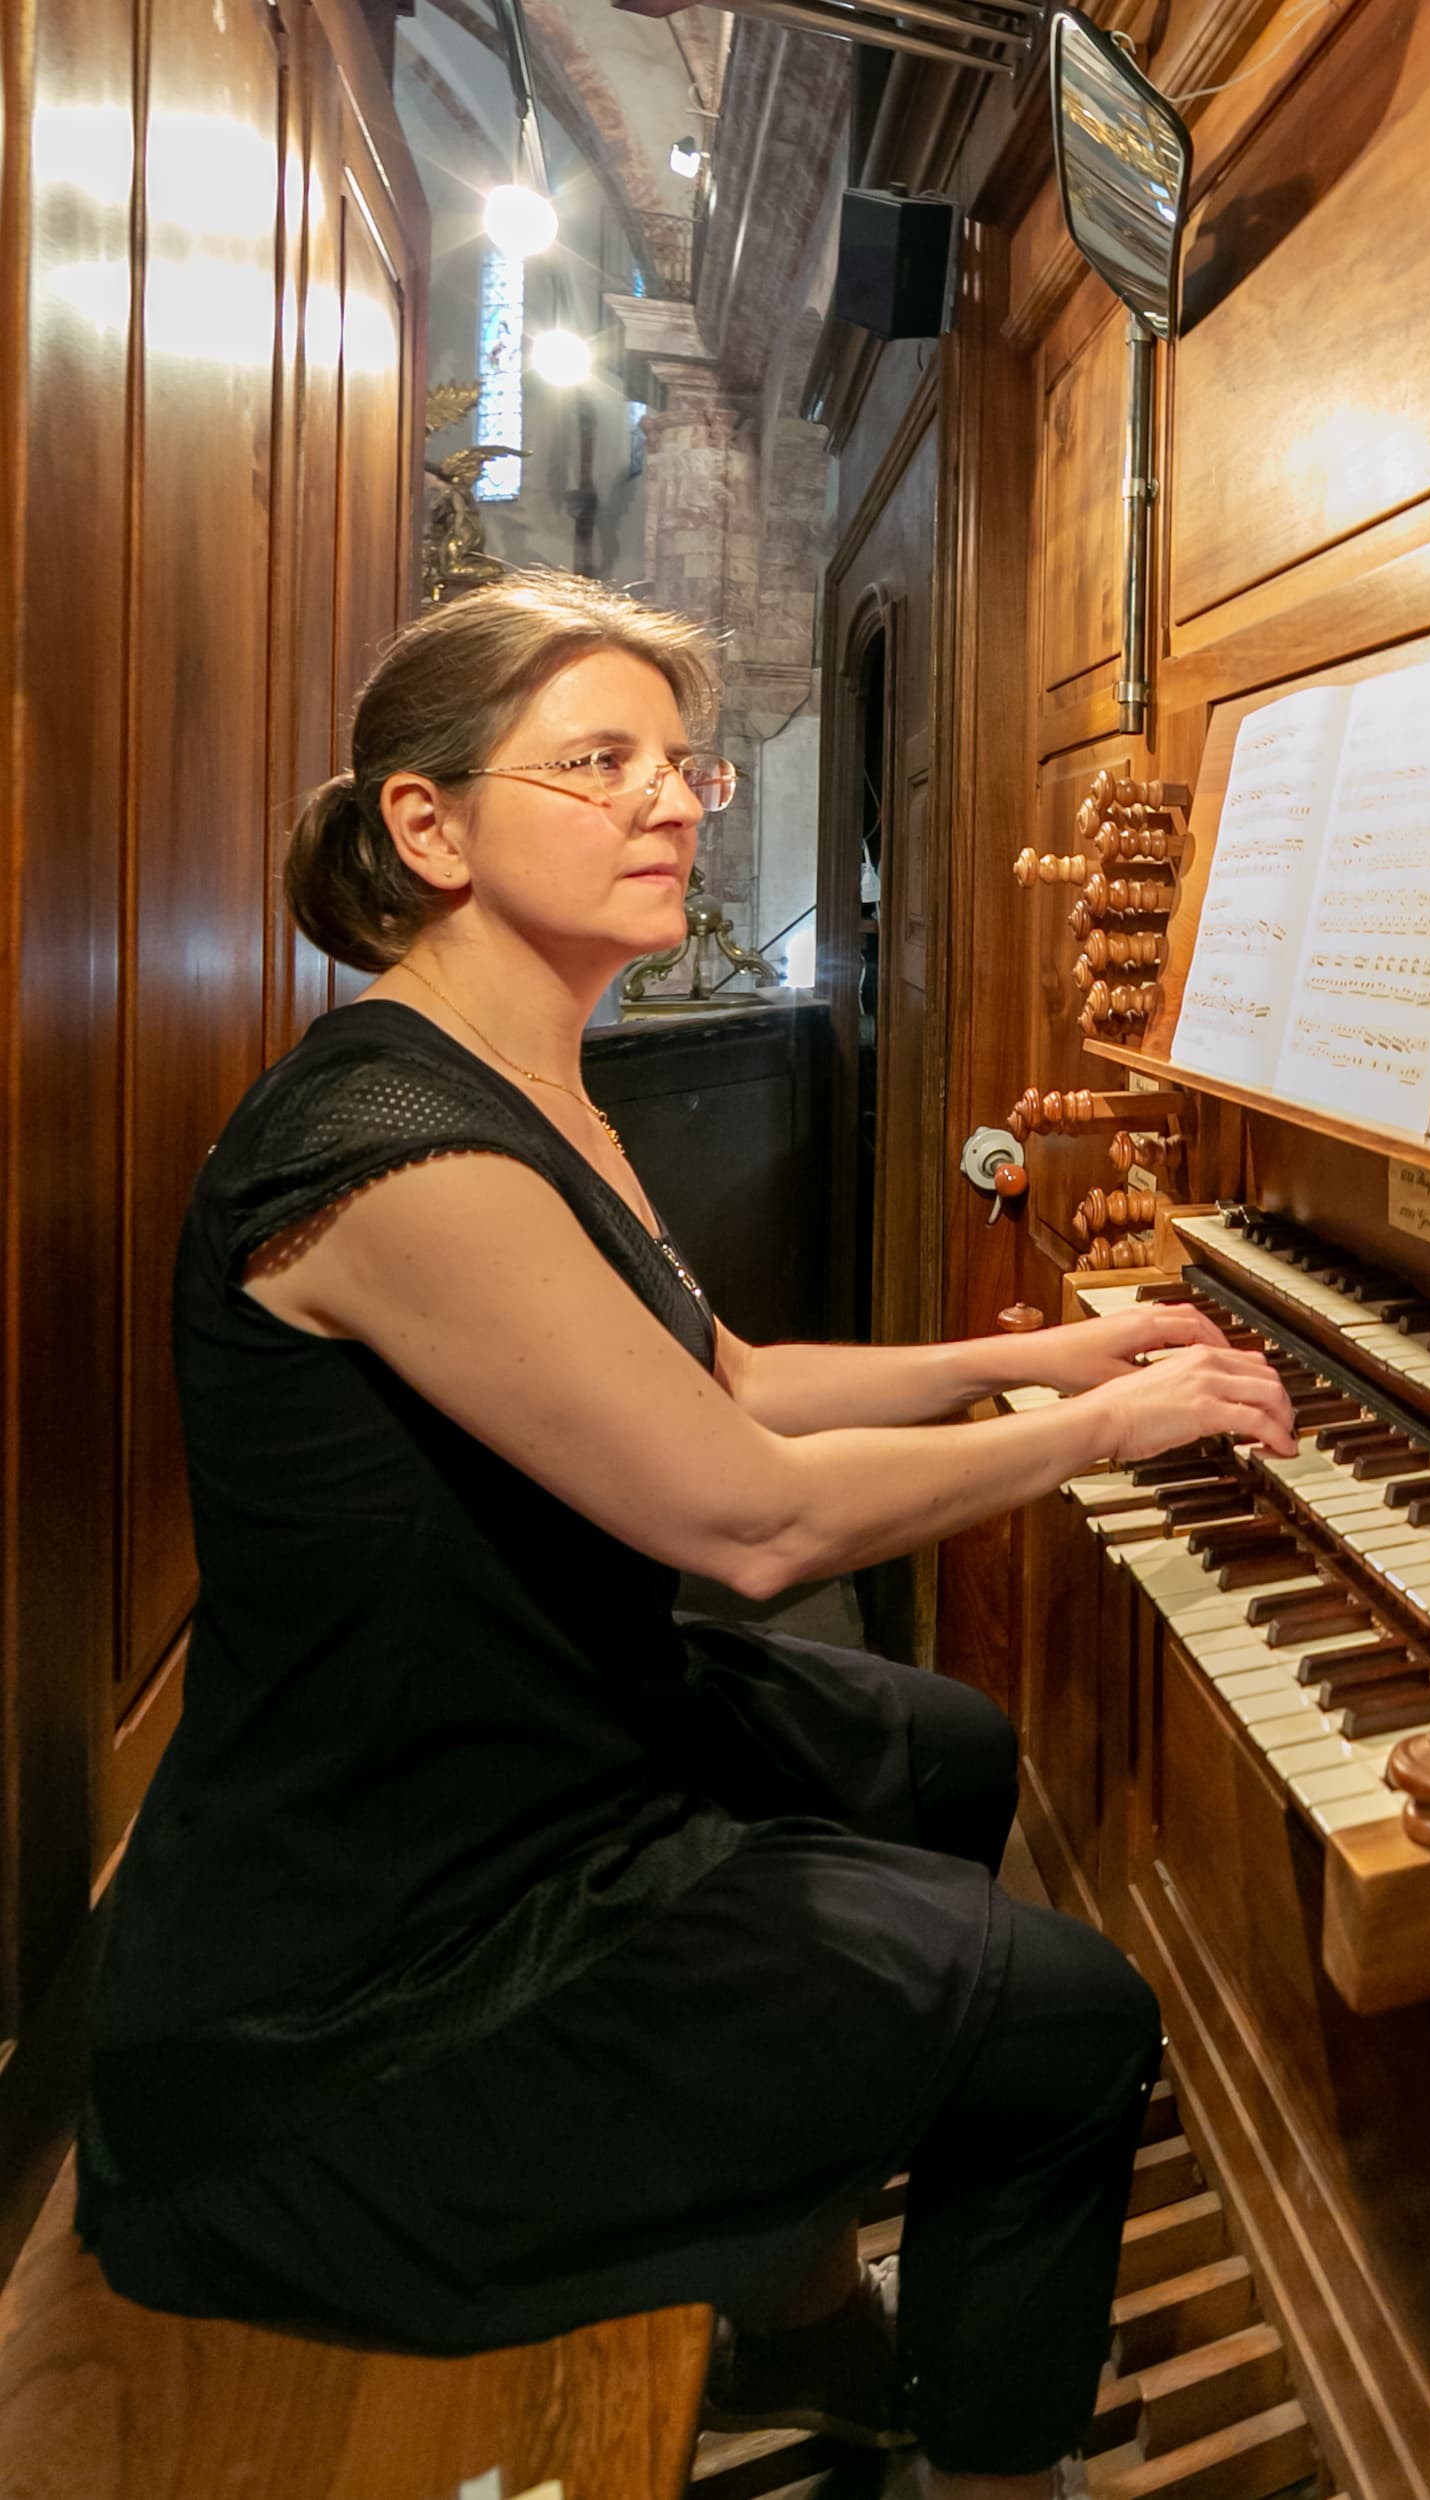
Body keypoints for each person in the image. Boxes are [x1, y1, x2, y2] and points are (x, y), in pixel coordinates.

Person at [74, 572, 1297, 2500]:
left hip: (502, 1747)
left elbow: (727, 1378)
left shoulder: (528, 1070)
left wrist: (1074, 1341)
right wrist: (1110, 1424)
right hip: (357, 1981)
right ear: (428, 823)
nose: (670, 801)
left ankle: (788, 2290)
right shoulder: (400, 1150)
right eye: (600, 762)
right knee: (1075, 2022)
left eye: (681, 764)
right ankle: (975, 2458)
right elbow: (747, 1520)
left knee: (937, 1740)